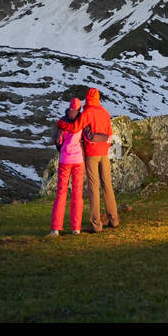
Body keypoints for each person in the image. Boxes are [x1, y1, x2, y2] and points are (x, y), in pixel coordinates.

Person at [60, 86, 120, 232]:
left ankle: (96, 224)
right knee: (107, 185)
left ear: (87, 98)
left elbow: (75, 128)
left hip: (92, 153)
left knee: (93, 188)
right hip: (104, 152)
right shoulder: (105, 113)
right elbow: (110, 134)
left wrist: (61, 124)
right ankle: (114, 219)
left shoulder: (86, 113)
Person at [49, 98, 85, 236]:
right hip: (78, 160)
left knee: (61, 193)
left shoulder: (62, 122)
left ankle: (55, 228)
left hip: (64, 160)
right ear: (79, 109)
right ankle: (76, 228)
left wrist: (63, 149)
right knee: (77, 193)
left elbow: (57, 142)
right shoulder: (81, 121)